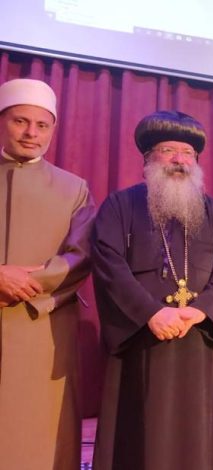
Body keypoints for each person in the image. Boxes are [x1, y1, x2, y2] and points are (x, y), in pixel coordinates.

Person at [91, 110, 213, 470]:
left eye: (188, 153)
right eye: (168, 150)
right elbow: (109, 265)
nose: (179, 159)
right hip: (143, 339)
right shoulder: (120, 206)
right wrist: (151, 314)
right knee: (142, 437)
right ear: (148, 158)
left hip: (198, 338)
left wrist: (201, 310)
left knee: (197, 438)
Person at [0, 78, 95, 469]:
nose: (31, 133)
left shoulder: (73, 189)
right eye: (20, 121)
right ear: (3, 121)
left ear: (53, 129)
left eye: (41, 125)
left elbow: (81, 256)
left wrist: (26, 284)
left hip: (41, 326)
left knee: (36, 437)